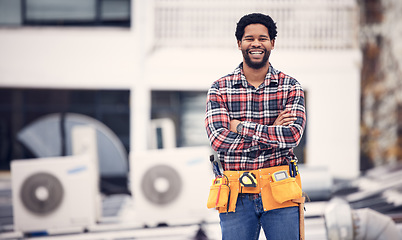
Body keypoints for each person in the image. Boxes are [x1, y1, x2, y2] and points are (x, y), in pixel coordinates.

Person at [205, 13, 306, 240]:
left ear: (272, 43)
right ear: (239, 43)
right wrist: (272, 130)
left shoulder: (290, 87)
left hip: (280, 189)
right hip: (235, 194)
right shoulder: (220, 88)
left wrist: (240, 127)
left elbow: (292, 136)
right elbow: (219, 140)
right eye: (249, 38)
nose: (256, 43)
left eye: (263, 38)